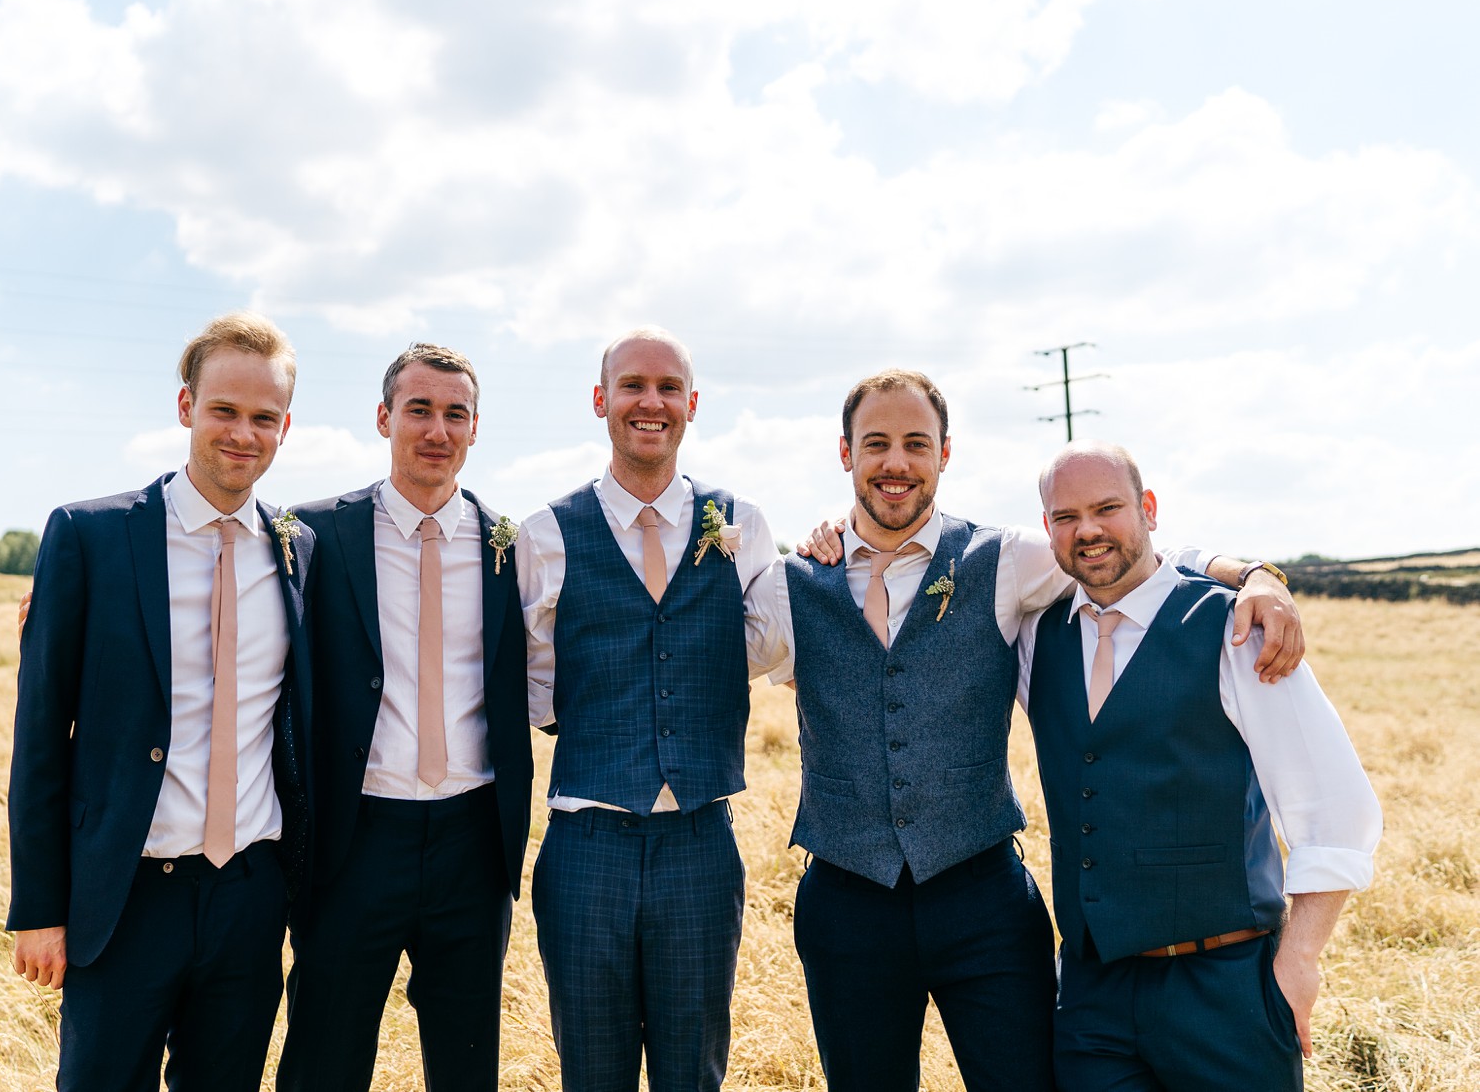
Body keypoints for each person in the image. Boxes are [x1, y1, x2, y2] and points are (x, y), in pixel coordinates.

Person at [755, 368, 1306, 1091]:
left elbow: (1122, 546)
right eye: (877, 443)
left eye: (916, 443)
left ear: (944, 454)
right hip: (846, 903)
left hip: (981, 899)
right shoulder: (791, 582)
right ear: (845, 452)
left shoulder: (1008, 559)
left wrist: (1254, 573)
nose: (897, 462)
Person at [7, 312, 314, 1091]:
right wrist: (40, 907)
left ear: (285, 427)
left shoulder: (300, 549)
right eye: (224, 410)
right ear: (186, 407)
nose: (243, 433)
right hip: (126, 896)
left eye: (263, 418)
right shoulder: (89, 536)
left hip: (249, 896)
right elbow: (40, 732)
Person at [1020, 440, 1380, 1090]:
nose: (1089, 529)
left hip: (1225, 994)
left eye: (1108, 508)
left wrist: (1298, 960)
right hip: (1091, 1000)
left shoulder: (1231, 626)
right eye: (1066, 516)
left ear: (1149, 508)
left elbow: (1338, 805)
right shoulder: (1035, 636)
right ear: (1046, 528)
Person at [516, 326, 780, 1092]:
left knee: (693, 1072)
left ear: (691, 404)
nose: (650, 401)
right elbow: (535, 688)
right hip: (585, 845)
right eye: (632, 385)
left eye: (668, 387)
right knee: (591, 1074)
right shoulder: (545, 535)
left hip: (701, 843)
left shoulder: (743, 523)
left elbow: (766, 650)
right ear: (602, 400)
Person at [276, 344, 532, 1092]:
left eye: (456, 414)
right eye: (419, 409)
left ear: (476, 429)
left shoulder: (510, 546)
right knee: (325, 1056)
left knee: (466, 1064)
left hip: (472, 840)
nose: (437, 429)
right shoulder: (313, 534)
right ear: (384, 417)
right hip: (354, 838)